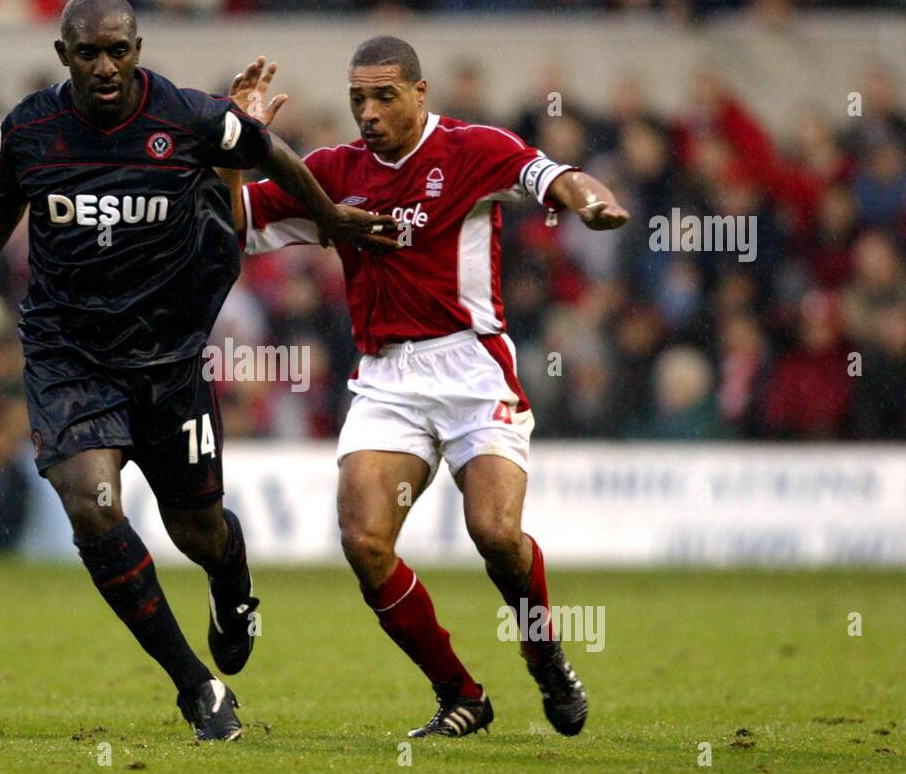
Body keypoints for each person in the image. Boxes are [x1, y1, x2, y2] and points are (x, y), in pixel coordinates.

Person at [0, 0, 396, 741]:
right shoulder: (31, 130)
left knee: (199, 531)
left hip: (169, 358)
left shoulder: (183, 117)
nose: (106, 64)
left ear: (139, 49)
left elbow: (264, 147)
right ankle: (196, 690)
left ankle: (232, 577)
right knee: (93, 505)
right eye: (88, 52)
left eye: (118, 49)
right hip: (68, 355)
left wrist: (329, 213)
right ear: (65, 56)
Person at [222, 39, 629, 738]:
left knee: (495, 534)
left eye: (384, 97)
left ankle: (547, 656)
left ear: (420, 91)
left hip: (472, 368)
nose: (368, 113)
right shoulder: (331, 172)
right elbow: (237, 223)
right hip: (387, 377)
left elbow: (555, 178)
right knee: (363, 541)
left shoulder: (473, 151)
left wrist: (592, 202)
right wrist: (238, 149)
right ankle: (461, 694)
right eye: (357, 99)